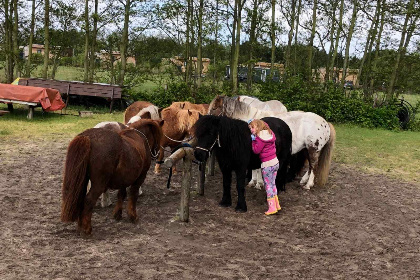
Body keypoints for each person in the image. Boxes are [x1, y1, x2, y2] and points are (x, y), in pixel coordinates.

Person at [248, 119, 281, 215]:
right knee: (273, 184)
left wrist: (253, 141)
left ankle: (272, 208)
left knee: (268, 186)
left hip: (267, 165)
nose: (251, 130)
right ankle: (277, 204)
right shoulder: (270, 134)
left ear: (258, 127)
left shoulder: (259, 138)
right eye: (250, 128)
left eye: (253, 128)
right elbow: (264, 124)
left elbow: (256, 150)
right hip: (275, 163)